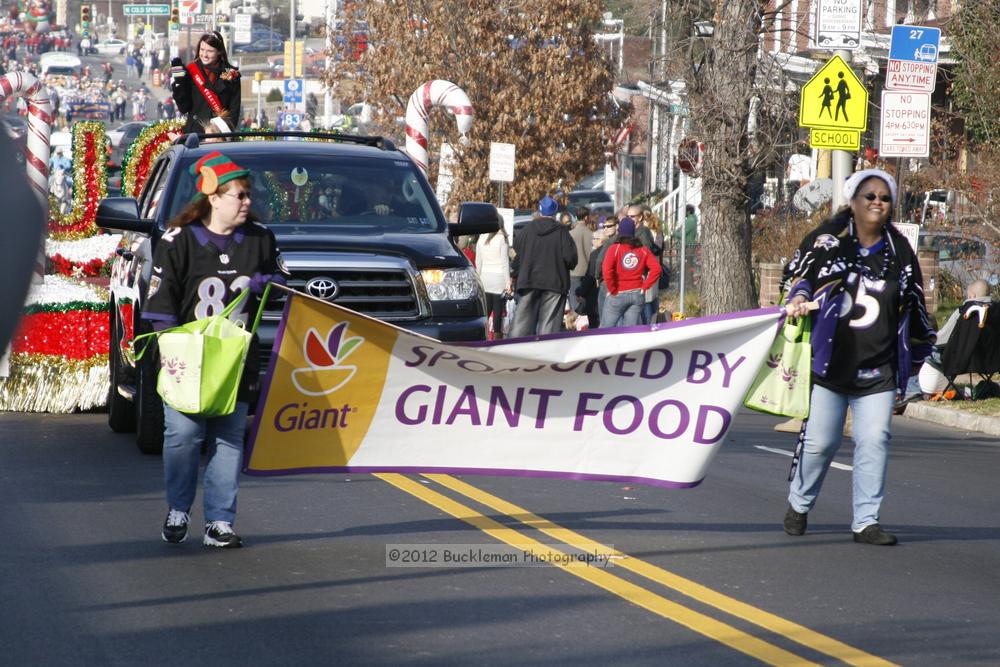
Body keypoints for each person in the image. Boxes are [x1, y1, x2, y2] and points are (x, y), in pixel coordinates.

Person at [781, 168, 936, 546]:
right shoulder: (826, 241)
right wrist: (799, 298)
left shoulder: (899, 250)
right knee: (820, 443)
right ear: (852, 200)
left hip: (879, 368)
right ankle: (799, 504)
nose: (877, 202)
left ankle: (866, 521)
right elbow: (799, 276)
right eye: (870, 196)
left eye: (884, 198)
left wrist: (917, 361)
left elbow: (915, 304)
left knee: (875, 439)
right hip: (830, 364)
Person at [141, 151, 288, 548]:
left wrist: (268, 282)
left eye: (247, 195)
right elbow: (160, 305)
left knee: (229, 436)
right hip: (188, 356)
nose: (247, 203)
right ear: (214, 197)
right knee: (184, 435)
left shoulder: (260, 239)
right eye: (239, 195)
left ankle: (220, 521)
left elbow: (281, 281)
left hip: (235, 357)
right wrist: (173, 354)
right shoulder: (177, 241)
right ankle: (178, 508)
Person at [510, 196, 577, 336]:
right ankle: (545, 353)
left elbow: (516, 253)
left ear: (539, 211)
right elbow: (571, 259)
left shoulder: (528, 229)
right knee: (549, 327)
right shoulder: (562, 231)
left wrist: (514, 274)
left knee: (522, 325)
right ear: (555, 213)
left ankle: (516, 352)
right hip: (555, 283)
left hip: (529, 280)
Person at [916, 279, 993, 398]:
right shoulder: (995, 311)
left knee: (924, 348)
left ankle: (912, 388)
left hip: (957, 359)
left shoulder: (964, 311)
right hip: (987, 359)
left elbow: (943, 337)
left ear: (972, 295)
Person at [170, 31, 241, 135]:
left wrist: (228, 134)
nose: (204, 55)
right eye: (202, 50)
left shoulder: (231, 74)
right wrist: (179, 83)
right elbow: (184, 107)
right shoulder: (191, 71)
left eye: (210, 51)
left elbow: (234, 109)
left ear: (219, 52)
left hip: (219, 135)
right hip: (195, 134)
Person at [600, 217, 661, 328]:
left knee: (605, 330)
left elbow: (606, 270)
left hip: (618, 293)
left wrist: (612, 289)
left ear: (619, 232)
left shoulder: (614, 249)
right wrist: (645, 286)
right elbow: (656, 269)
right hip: (637, 293)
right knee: (630, 331)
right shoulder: (643, 250)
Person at [475, 225, 511, 340]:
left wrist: (478, 278)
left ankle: (482, 336)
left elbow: (478, 261)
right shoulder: (502, 239)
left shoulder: (481, 237)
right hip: (499, 278)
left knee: (486, 309)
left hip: (485, 277)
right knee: (498, 311)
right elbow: (505, 263)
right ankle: (497, 337)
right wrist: (508, 282)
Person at [568, 207, 593, 314]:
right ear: (586, 217)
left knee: (575, 303)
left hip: (574, 271)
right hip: (588, 271)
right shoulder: (590, 233)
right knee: (588, 302)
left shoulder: (570, 234)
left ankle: (575, 325)